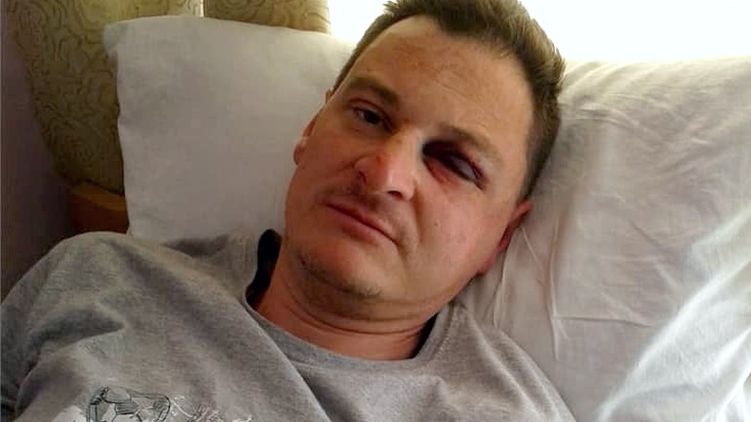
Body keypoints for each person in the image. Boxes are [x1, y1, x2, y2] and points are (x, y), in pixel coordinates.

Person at [2, 0, 572, 420]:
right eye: (369, 116)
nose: (384, 173)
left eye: (454, 162)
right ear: (312, 128)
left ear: (500, 237)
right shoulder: (96, 277)